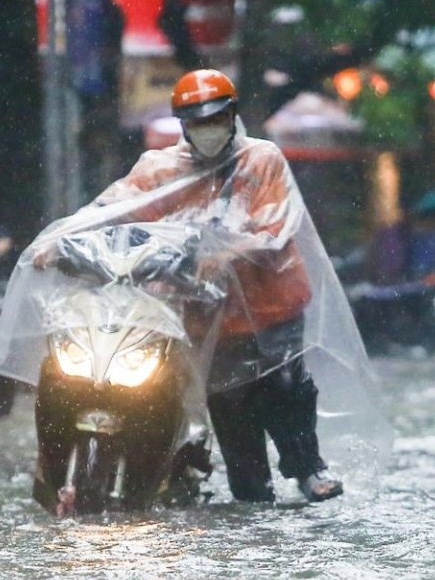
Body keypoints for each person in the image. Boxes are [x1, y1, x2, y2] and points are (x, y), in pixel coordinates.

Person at [76, 69, 341, 503]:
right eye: (197, 122)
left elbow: (272, 227)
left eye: (215, 119)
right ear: (183, 126)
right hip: (206, 313)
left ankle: (308, 467)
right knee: (230, 405)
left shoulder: (263, 160)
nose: (207, 130)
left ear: (232, 115)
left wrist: (225, 255)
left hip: (272, 305)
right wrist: (69, 237)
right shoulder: (162, 170)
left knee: (284, 386)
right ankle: (250, 490)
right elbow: (117, 205)